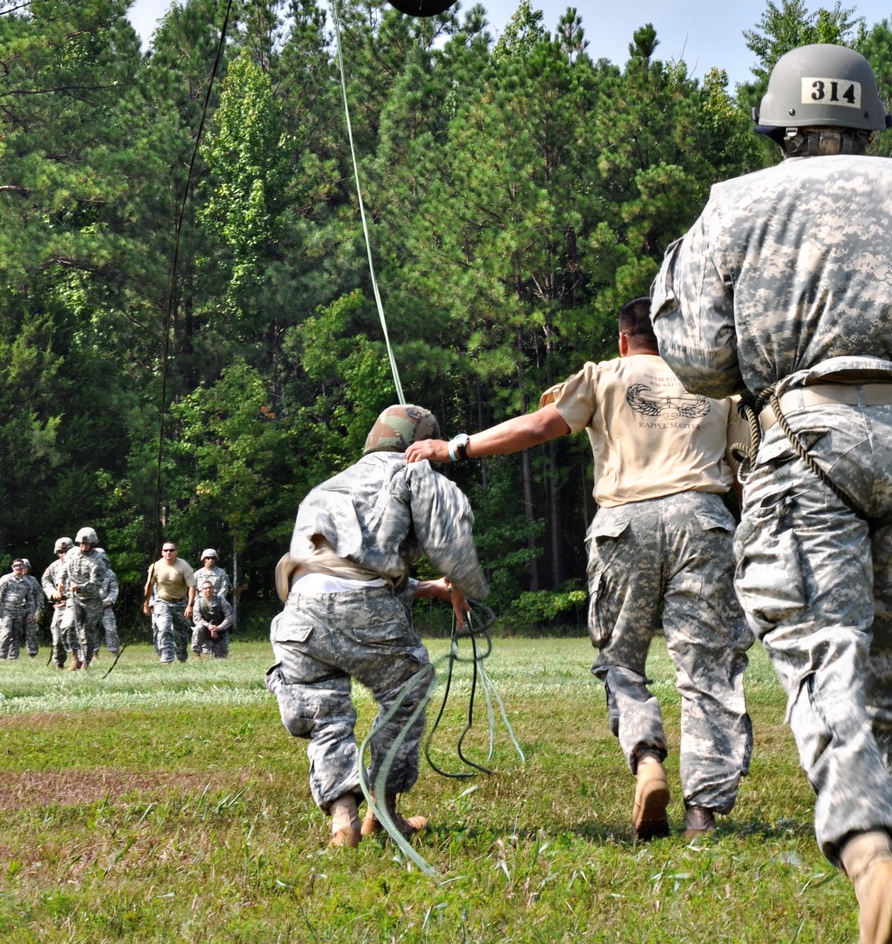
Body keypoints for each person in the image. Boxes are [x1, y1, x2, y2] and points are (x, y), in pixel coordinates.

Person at [650, 42, 892, 944]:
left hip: (803, 437)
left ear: (782, 126)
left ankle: (868, 856)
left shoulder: (736, 203)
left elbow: (694, 360)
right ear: (871, 121)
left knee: (823, 653)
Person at [406, 299, 753, 842]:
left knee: (621, 662)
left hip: (624, 525)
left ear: (623, 340)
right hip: (703, 521)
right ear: (679, 336)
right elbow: (744, 478)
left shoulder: (603, 376)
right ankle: (702, 814)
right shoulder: (716, 388)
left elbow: (540, 425)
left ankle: (646, 760)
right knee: (709, 669)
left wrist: (455, 448)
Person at [269, 403, 486, 848]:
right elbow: (449, 537)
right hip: (360, 605)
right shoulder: (413, 472)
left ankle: (342, 817)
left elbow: (339, 569)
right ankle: (383, 813)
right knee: (408, 691)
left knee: (325, 713)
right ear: (422, 446)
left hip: (299, 613)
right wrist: (465, 583)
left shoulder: (323, 489)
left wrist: (429, 588)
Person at [61, 527, 107, 671]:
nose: (83, 546)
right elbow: (64, 570)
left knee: (88, 632)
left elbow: (96, 584)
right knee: (67, 627)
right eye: (80, 543)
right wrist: (60, 583)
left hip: (91, 600)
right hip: (74, 598)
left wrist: (80, 587)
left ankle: (85, 662)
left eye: (86, 543)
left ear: (93, 543)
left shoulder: (99, 560)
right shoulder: (71, 553)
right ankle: (75, 657)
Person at [143, 541, 196, 663]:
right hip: (162, 602)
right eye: (166, 550)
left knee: (181, 635)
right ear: (162, 552)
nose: (168, 553)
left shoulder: (184, 566)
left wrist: (190, 605)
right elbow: (149, 586)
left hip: (180, 603)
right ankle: (167, 659)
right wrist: (146, 604)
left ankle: (182, 656)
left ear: (176, 552)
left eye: (171, 550)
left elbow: (192, 587)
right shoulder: (155, 567)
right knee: (164, 628)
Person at [0, 558, 40, 660]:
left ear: (24, 567)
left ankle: (13, 657)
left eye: (20, 566)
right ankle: (2, 656)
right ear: (12, 567)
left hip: (19, 610)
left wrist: (31, 614)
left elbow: (30, 599)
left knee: (17, 634)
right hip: (7, 609)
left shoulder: (27, 582)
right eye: (16, 566)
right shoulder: (6, 579)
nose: (18, 568)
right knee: (5, 633)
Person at [41, 537, 73, 670]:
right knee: (57, 634)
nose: (63, 555)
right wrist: (52, 592)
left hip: (77, 603)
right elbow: (45, 581)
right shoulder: (54, 566)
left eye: (66, 551)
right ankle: (59, 663)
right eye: (60, 552)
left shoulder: (80, 564)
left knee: (77, 634)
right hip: (60, 606)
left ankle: (80, 661)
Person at [192, 579, 235, 658]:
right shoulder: (198, 602)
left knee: (219, 659)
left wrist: (218, 628)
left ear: (213, 589)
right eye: (205, 588)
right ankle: (197, 655)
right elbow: (197, 619)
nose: (208, 590)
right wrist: (209, 626)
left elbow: (230, 617)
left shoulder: (221, 600)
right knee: (198, 628)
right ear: (201, 590)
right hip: (205, 630)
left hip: (220, 632)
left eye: (210, 588)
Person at [96, 550, 121, 662]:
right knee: (92, 631)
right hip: (92, 607)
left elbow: (114, 590)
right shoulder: (87, 573)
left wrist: (108, 601)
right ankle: (94, 654)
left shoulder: (110, 574)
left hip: (106, 607)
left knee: (111, 630)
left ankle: (115, 653)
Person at [20, 559, 42, 658]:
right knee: (13, 632)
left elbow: (39, 594)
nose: (24, 569)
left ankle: (32, 653)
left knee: (32, 632)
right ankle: (11, 654)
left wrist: (39, 608)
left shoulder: (32, 580)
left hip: (31, 609)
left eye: (26, 567)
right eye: (22, 567)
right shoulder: (10, 579)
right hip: (15, 609)